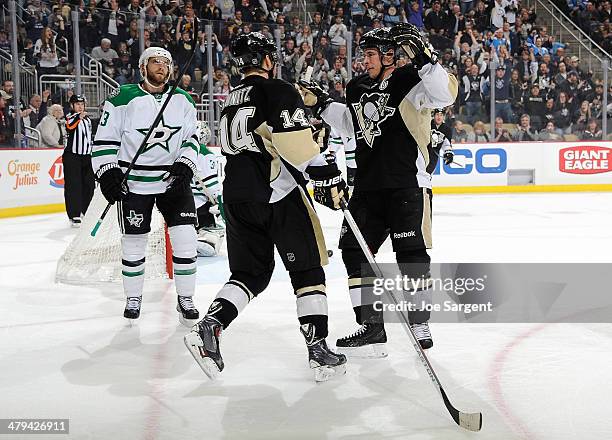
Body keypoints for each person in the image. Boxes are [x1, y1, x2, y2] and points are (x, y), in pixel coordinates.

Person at [184, 32, 347, 382]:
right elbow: (294, 144)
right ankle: (318, 350)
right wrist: (326, 171)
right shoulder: (278, 89)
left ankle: (211, 327)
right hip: (275, 193)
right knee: (308, 271)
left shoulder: (232, 97)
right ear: (268, 60)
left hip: (237, 198)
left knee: (249, 274)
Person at [299, 23, 458, 355]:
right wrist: (322, 104)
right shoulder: (357, 86)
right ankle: (371, 325)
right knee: (354, 251)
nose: (364, 61)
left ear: (389, 55)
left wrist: (424, 56)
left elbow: (446, 94)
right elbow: (352, 123)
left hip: (407, 185)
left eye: (370, 54)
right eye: (364, 55)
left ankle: (419, 321)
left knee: (411, 256)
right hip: (368, 189)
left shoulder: (411, 79)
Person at [92, 46, 201, 324]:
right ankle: (133, 297)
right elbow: (105, 140)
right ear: (143, 67)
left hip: (172, 181)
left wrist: (186, 165)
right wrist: (107, 173)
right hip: (134, 183)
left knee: (186, 243)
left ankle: (186, 298)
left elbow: (192, 138)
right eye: (155, 62)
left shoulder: (183, 99)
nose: (162, 67)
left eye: (166, 63)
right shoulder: (123, 97)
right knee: (133, 243)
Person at [191, 120, 225, 257]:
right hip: (198, 204)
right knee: (215, 233)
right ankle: (201, 239)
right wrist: (218, 199)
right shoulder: (204, 153)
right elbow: (210, 185)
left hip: (179, 201)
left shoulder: (179, 149)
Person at [63, 95, 94, 227]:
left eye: (82, 104)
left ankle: (86, 211)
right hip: (73, 157)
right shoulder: (70, 117)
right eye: (77, 104)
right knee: (73, 186)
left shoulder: (87, 120)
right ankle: (74, 214)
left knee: (89, 185)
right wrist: (78, 116)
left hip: (87, 156)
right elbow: (70, 127)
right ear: (72, 106)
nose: (80, 106)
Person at [428, 108, 454, 174]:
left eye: (441, 115)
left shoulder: (447, 129)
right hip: (423, 152)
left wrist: (448, 153)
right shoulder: (427, 124)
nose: (439, 117)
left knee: (428, 174)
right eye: (437, 115)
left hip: (434, 155)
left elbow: (446, 143)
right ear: (433, 116)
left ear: (443, 116)